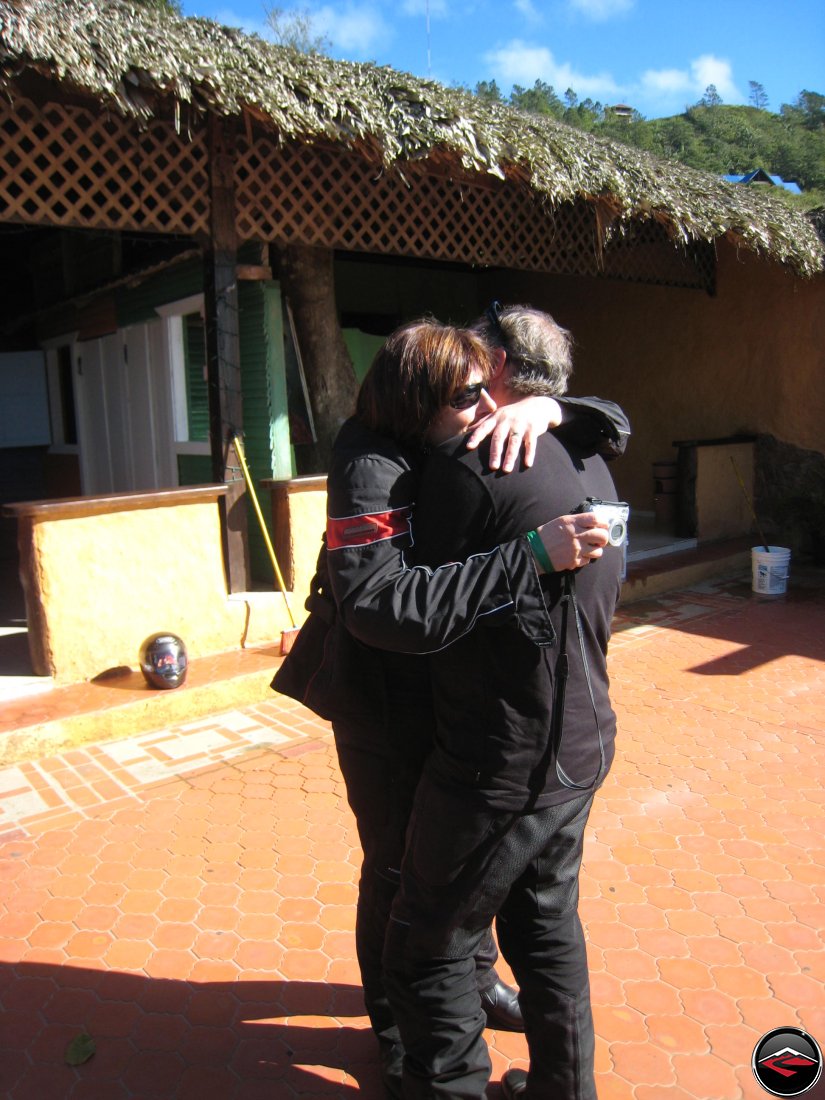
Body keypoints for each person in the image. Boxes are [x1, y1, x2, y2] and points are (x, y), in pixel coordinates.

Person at [273, 318, 629, 1097]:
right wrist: (528, 558)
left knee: (456, 882)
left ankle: (473, 988)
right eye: (470, 397)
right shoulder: (367, 458)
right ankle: (397, 1027)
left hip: (447, 688)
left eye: (489, 389)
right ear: (418, 400)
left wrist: (553, 411)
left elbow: (610, 420)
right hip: (381, 698)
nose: (487, 406)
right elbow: (377, 604)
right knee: (401, 869)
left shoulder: (467, 431)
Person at [380, 306, 625, 1099]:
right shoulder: (587, 452)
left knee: (432, 939)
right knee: (545, 926)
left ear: (501, 374)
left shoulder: (476, 464)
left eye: (474, 367)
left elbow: (410, 611)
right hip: (581, 742)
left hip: (501, 761)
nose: (469, 394)